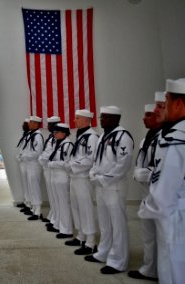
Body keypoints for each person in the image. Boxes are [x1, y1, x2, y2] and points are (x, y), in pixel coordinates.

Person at [139, 79, 185, 284]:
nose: (161, 107)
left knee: (172, 268)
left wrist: (147, 206)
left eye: (165, 101)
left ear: (178, 105)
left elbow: (165, 193)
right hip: (175, 210)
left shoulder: (177, 139)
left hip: (175, 215)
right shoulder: (172, 135)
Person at [86, 106, 134, 275]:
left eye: (105, 117)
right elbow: (96, 160)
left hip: (114, 187)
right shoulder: (103, 137)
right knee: (104, 222)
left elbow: (123, 164)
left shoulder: (123, 137)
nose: (101, 120)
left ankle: (118, 261)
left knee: (117, 224)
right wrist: (93, 173)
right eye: (101, 117)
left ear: (115, 119)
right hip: (100, 185)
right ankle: (104, 252)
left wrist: (104, 179)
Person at [127, 103, 162, 281]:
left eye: (148, 115)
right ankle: (149, 268)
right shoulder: (146, 138)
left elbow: (163, 168)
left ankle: (162, 270)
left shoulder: (165, 138)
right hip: (146, 192)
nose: (143, 118)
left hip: (160, 192)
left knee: (163, 236)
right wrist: (140, 172)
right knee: (148, 234)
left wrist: (145, 173)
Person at [67, 109, 99, 255]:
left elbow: (90, 158)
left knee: (86, 208)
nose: (75, 120)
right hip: (75, 177)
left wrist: (73, 166)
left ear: (86, 120)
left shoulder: (91, 137)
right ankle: (81, 235)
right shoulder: (80, 135)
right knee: (76, 207)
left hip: (83, 178)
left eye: (77, 118)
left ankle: (91, 241)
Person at [47, 123, 74, 238]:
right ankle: (58, 224)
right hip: (55, 176)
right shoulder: (59, 144)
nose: (54, 134)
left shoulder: (68, 145)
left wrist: (54, 164)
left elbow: (68, 163)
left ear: (63, 133)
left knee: (63, 203)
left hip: (62, 176)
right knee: (57, 202)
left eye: (56, 132)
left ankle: (66, 230)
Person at [18, 116, 44, 220]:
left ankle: (38, 211)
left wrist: (25, 156)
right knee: (31, 186)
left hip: (34, 164)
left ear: (36, 124)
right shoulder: (31, 134)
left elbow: (37, 152)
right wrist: (22, 156)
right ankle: (34, 208)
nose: (29, 124)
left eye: (31, 122)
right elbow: (26, 149)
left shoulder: (37, 136)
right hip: (29, 164)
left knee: (35, 187)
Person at [39, 116, 61, 227]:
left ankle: (56, 219)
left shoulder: (58, 138)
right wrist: (42, 158)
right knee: (51, 195)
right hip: (47, 168)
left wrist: (43, 158)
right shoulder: (51, 137)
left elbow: (52, 154)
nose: (48, 127)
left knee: (56, 196)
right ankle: (53, 216)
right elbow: (46, 152)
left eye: (50, 125)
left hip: (52, 168)